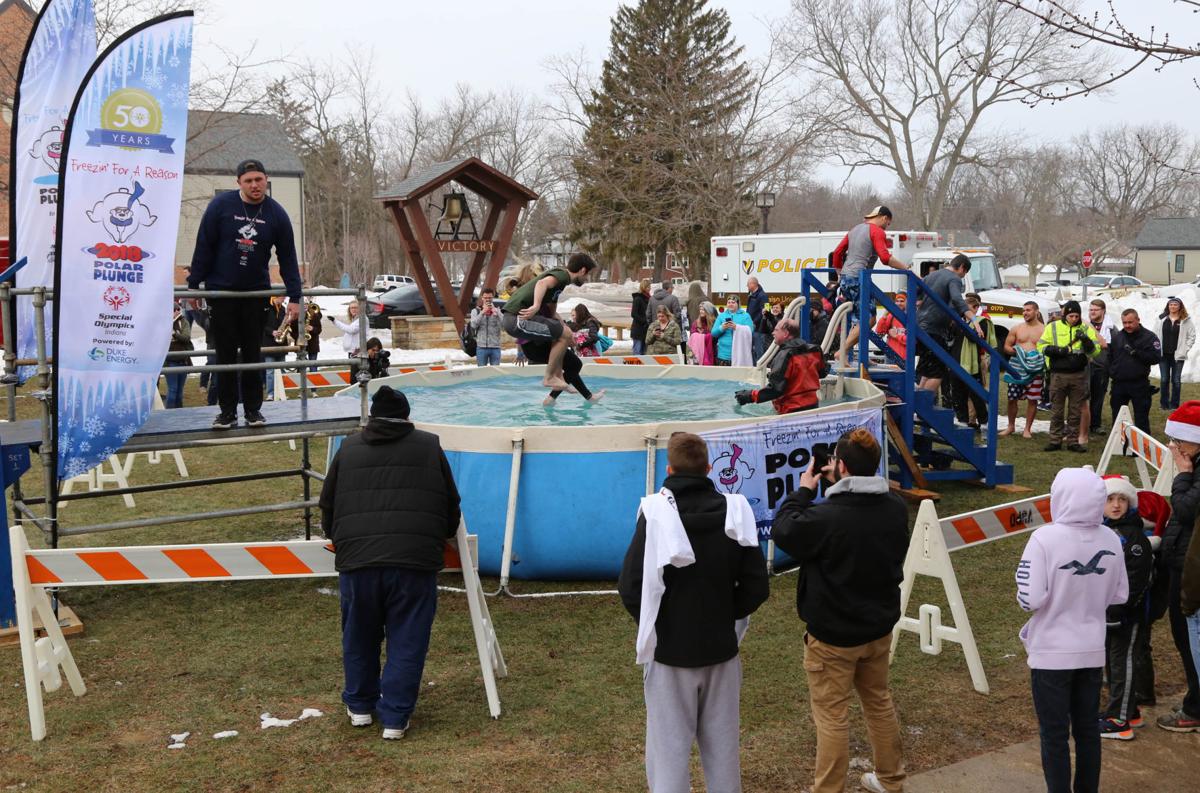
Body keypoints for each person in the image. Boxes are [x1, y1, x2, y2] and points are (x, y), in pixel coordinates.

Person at [617, 432, 769, 793]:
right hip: (720, 650)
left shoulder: (654, 514)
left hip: (671, 653)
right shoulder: (735, 511)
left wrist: (660, 623)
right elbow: (756, 586)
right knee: (723, 756)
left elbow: (630, 587)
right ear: (709, 468)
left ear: (669, 469)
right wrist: (724, 616)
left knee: (668, 758)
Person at [318, 386, 461, 740]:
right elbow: (449, 504)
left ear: (371, 418)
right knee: (408, 638)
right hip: (414, 560)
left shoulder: (348, 447)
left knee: (359, 635)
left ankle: (360, 707)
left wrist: (341, 537)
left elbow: (328, 505)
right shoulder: (429, 445)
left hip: (357, 560)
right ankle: (396, 717)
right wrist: (437, 537)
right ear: (407, 417)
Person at [771, 429, 909, 793]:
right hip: (877, 628)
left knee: (832, 716)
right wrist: (839, 485)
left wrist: (804, 489)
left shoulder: (827, 517)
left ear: (841, 466)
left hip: (833, 636)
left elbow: (784, 531)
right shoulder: (895, 506)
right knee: (878, 701)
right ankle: (892, 779)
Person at [1016, 467, 1128, 793]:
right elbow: (1120, 594)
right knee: (1088, 731)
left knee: (1054, 735)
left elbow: (1030, 598)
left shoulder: (1044, 539)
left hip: (1051, 653)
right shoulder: (1111, 539)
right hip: (1091, 650)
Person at [187, 158, 302, 429]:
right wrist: (193, 285)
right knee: (225, 354)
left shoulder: (276, 213)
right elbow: (204, 245)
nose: (254, 185)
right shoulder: (221, 206)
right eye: (248, 180)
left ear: (266, 180)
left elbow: (287, 257)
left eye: (259, 180)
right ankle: (226, 412)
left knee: (252, 354)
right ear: (238, 183)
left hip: (255, 293)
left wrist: (295, 297)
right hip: (223, 292)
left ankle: (253, 411)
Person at [1095, 475, 1155, 740]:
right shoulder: (1106, 532)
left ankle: (1120, 721)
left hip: (1127, 615)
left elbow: (1136, 579)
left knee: (1123, 663)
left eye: (1122, 499)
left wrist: (1121, 609)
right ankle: (1129, 711)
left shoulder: (1134, 539)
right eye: (1110, 499)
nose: (1116, 505)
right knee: (1114, 661)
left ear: (1130, 504)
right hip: (1109, 614)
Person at [1158, 402, 1200, 732]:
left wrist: (1183, 475)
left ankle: (1195, 708)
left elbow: (1185, 511)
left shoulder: (1194, 471)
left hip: (1190, 567)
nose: (1174, 446)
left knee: (1189, 637)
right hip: (1183, 559)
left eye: (1179, 440)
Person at [502, 253, 598, 390]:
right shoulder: (563, 275)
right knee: (563, 334)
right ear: (582, 270)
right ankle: (549, 377)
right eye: (588, 275)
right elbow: (542, 283)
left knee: (562, 334)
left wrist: (564, 327)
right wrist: (536, 305)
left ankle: (556, 377)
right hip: (515, 319)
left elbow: (552, 310)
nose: (587, 279)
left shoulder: (560, 283)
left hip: (515, 319)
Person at [830, 206, 912, 363]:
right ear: (884, 217)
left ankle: (851, 357)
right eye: (888, 223)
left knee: (858, 320)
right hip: (860, 278)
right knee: (869, 320)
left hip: (847, 278)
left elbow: (837, 253)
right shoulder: (877, 231)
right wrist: (907, 269)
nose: (886, 227)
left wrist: (840, 273)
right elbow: (885, 258)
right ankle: (842, 352)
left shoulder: (855, 229)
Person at [1038, 301, 1100, 452]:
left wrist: (1086, 340)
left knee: (1075, 411)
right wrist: (1057, 350)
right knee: (1057, 410)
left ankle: (1073, 441)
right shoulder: (1053, 327)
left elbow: (1096, 351)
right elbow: (1041, 346)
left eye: (1076, 316)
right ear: (1065, 315)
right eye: (1071, 315)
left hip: (1078, 376)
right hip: (1058, 375)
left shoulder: (1085, 328)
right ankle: (1055, 440)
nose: (1073, 318)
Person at [734, 319, 827, 414]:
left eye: (776, 330)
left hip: (791, 410)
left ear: (786, 333)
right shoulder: (815, 350)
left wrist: (749, 396)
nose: (773, 333)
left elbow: (776, 390)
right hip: (813, 406)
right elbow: (822, 373)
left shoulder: (785, 355)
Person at [916, 254, 973, 395]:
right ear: (962, 267)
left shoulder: (931, 276)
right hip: (935, 329)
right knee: (938, 372)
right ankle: (922, 406)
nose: (962, 276)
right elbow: (957, 299)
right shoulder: (954, 278)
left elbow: (917, 294)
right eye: (964, 273)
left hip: (919, 325)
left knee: (927, 369)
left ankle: (916, 405)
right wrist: (974, 320)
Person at [1107, 309, 1161, 435]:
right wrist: (1112, 371)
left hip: (1139, 384)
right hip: (1119, 384)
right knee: (1118, 416)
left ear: (1138, 320)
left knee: (1141, 417)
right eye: (1124, 323)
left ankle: (1142, 447)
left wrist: (1137, 353)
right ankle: (1121, 443)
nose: (1127, 326)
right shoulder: (1118, 337)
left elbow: (1156, 358)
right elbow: (1110, 357)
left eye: (1130, 322)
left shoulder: (1149, 337)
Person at [950, 294, 996, 428]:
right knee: (958, 393)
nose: (964, 311)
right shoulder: (960, 320)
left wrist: (964, 323)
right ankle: (962, 419)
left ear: (976, 308)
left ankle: (984, 421)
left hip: (972, 363)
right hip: (956, 360)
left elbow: (975, 338)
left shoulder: (982, 321)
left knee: (975, 394)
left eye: (967, 308)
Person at [1001, 302, 1046, 438]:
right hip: (1016, 368)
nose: (1025, 313)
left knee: (1033, 399)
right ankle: (1011, 426)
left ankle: (1027, 429)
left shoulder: (1045, 330)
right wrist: (1019, 352)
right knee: (1012, 398)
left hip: (1035, 369)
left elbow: (1047, 348)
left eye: (1028, 310)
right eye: (1024, 310)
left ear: (1036, 312)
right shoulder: (1016, 328)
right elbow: (1006, 347)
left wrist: (1034, 358)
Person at [1084, 299, 1117, 436]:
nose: (1092, 312)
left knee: (1098, 397)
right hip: (1085, 367)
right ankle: (1081, 423)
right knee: (1082, 396)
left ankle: (1095, 424)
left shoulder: (1111, 329)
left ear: (1103, 311)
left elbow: (1115, 350)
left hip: (1102, 368)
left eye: (1095, 310)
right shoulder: (1084, 326)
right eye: (1090, 310)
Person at [1159, 297, 1194, 410]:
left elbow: (1191, 336)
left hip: (1178, 356)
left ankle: (1174, 405)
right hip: (1163, 355)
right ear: (1168, 306)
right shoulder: (1162, 319)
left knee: (1176, 380)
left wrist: (1185, 349)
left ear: (1180, 306)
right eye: (1171, 304)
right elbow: (1155, 334)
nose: (1173, 307)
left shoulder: (1185, 320)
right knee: (1164, 379)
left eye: (1175, 305)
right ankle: (1164, 404)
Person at [163, 300, 192, 409]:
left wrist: (175, 334)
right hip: (170, 362)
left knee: (180, 391)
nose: (176, 312)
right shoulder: (163, 323)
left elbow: (186, 338)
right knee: (173, 389)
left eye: (176, 310)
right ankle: (169, 414)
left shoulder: (183, 321)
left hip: (183, 360)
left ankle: (179, 414)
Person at [711, 296, 754, 366]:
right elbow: (713, 333)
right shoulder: (721, 316)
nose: (730, 304)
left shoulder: (745, 316)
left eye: (733, 302)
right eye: (729, 302)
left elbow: (750, 331)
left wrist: (737, 327)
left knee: (738, 376)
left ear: (738, 304)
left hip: (740, 354)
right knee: (723, 376)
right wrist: (722, 328)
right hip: (723, 355)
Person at [261, 296, 287, 401]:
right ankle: (271, 393)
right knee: (270, 371)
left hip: (281, 344)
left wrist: (285, 327)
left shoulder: (283, 308)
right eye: (282, 298)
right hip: (269, 344)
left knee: (282, 370)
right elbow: (261, 325)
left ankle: (282, 392)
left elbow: (284, 323)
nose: (284, 300)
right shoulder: (266, 307)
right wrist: (272, 332)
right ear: (276, 297)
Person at [470, 288, 503, 366]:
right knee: (482, 372)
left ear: (493, 298)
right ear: (482, 298)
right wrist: (482, 312)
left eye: (490, 298)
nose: (488, 300)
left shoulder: (498, 310)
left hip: (495, 347)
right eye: (485, 298)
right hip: (481, 347)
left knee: (495, 372)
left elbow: (504, 326)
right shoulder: (476, 311)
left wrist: (497, 313)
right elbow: (473, 325)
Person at [873, 292, 908, 360]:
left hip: (905, 358)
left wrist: (896, 336)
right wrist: (884, 315)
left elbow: (912, 341)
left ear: (907, 303)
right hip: (890, 356)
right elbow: (879, 332)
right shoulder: (891, 316)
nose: (899, 303)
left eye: (902, 301)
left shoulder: (912, 318)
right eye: (897, 301)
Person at [745, 276, 769, 361]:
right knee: (750, 350)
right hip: (751, 326)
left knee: (759, 351)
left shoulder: (763, 296)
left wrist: (754, 322)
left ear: (753, 284)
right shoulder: (751, 295)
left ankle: (760, 370)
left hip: (758, 328)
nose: (746, 286)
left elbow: (766, 310)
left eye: (748, 284)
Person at [631, 278, 652, 355]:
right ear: (643, 287)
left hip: (646, 329)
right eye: (648, 287)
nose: (649, 289)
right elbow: (634, 314)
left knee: (644, 352)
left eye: (650, 287)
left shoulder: (649, 298)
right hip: (638, 329)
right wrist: (644, 321)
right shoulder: (638, 299)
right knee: (637, 351)